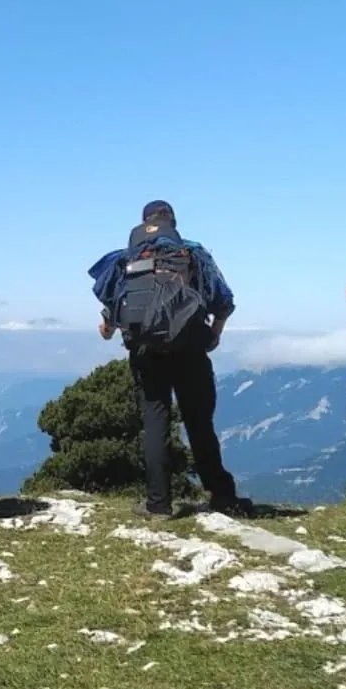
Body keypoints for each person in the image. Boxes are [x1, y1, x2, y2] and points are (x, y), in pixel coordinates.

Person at [90, 200, 251, 520]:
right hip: (191, 350)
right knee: (200, 424)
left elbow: (109, 320)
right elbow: (224, 300)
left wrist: (111, 329)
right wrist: (215, 334)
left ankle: (158, 504)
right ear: (173, 224)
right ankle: (222, 497)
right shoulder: (193, 254)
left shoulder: (124, 260)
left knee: (155, 424)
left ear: (143, 223)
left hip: (146, 353)